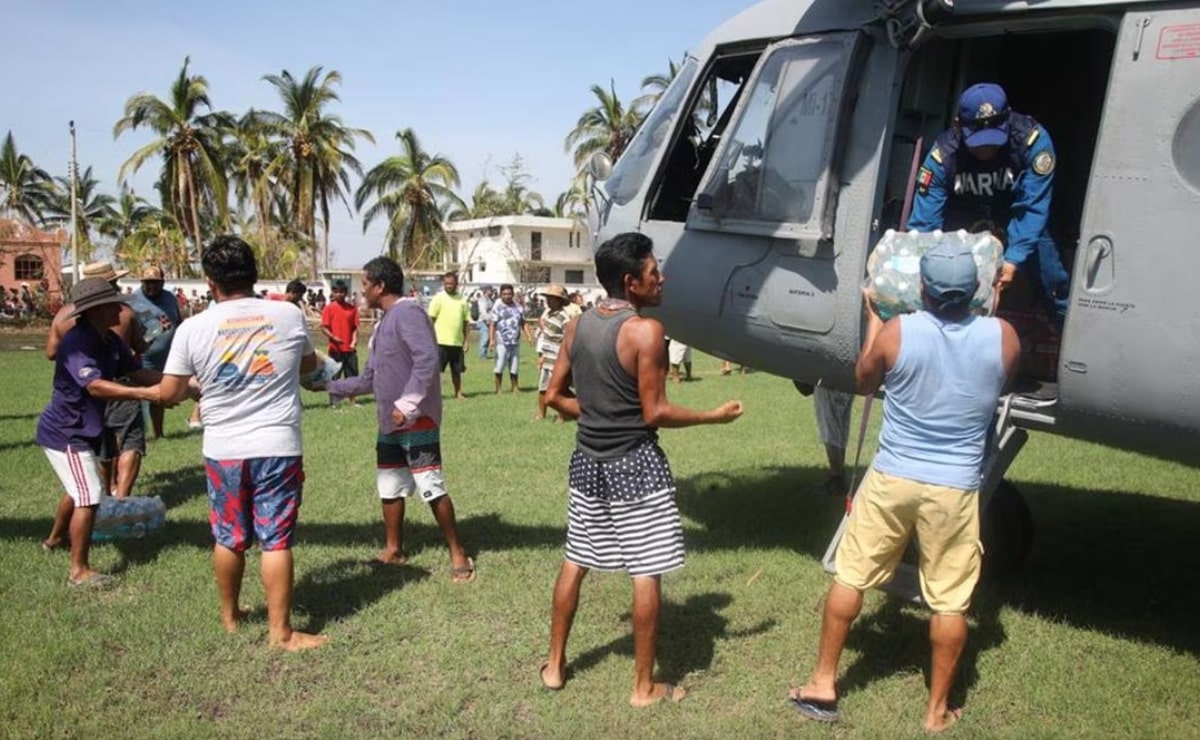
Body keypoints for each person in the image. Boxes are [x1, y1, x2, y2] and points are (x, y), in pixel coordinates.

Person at [789, 241, 1019, 732]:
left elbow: (865, 377)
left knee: (851, 576)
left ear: (921, 288)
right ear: (978, 288)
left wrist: (874, 319)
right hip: (954, 488)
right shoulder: (1004, 337)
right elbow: (992, 368)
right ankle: (936, 712)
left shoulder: (897, 331)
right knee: (950, 600)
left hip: (893, 477)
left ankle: (823, 683)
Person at [540, 232, 743, 705]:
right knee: (647, 571)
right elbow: (655, 413)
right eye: (654, 273)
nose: (662, 279)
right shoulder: (645, 331)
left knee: (576, 560)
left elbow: (553, 396)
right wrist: (714, 416)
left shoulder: (577, 326)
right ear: (631, 282)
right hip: (635, 464)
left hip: (586, 461)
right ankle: (643, 687)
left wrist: (593, 416)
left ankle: (553, 667)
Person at [154, 235, 327, 651]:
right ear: (253, 274)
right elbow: (307, 367)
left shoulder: (193, 327)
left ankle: (230, 618)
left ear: (210, 282)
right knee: (276, 538)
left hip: (223, 448)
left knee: (228, 535)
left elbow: (170, 392)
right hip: (277, 444)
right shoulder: (288, 314)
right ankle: (281, 633)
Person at [318, 257, 475, 582]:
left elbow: (427, 360)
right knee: (389, 485)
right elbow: (369, 378)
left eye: (364, 284)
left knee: (430, 485)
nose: (361, 291)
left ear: (380, 286)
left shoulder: (409, 313)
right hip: (389, 422)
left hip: (417, 419)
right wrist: (328, 385)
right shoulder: (382, 324)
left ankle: (458, 552)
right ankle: (394, 549)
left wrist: (407, 403)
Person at [907, 82, 1070, 328]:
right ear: (958, 126)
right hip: (966, 215)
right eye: (977, 140)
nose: (986, 147)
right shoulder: (943, 156)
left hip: (1019, 214)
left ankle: (1061, 326)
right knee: (944, 270)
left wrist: (1013, 259)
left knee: (1050, 274)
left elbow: (1032, 206)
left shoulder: (1031, 142)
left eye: (994, 138)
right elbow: (924, 225)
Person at [37, 278, 165, 587]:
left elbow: (135, 371)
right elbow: (94, 386)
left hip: (82, 428)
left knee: (77, 488)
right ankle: (78, 571)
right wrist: (146, 395)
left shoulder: (108, 339)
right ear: (96, 310)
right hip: (66, 432)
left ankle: (54, 541)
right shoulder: (77, 343)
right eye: (114, 304)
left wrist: (175, 385)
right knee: (90, 495)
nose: (122, 309)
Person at [46, 261, 150, 499]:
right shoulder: (124, 313)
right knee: (130, 441)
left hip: (84, 398)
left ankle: (104, 495)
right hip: (116, 386)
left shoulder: (62, 317)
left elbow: (51, 352)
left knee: (100, 449)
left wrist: (75, 363)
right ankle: (120, 500)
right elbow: (139, 349)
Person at [133, 266, 182, 438]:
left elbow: (179, 320)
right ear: (142, 282)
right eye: (148, 283)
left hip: (168, 355)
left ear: (163, 282)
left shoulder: (169, 298)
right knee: (144, 394)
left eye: (156, 283)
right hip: (144, 356)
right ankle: (137, 433)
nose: (152, 287)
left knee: (162, 394)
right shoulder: (134, 300)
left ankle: (158, 433)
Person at [793, 382, 855, 497]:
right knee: (840, 430)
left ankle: (836, 479)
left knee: (830, 432)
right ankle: (839, 475)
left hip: (828, 382)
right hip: (847, 382)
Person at [427, 271, 471, 400]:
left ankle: (458, 392)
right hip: (440, 342)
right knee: (436, 371)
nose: (448, 286)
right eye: (446, 283)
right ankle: (433, 394)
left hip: (456, 343)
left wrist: (466, 341)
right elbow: (431, 319)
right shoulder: (438, 298)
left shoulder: (462, 300)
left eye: (451, 283)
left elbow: (466, 322)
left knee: (457, 371)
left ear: (456, 284)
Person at [534, 284, 571, 421]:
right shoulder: (548, 314)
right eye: (548, 298)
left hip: (558, 358)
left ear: (559, 300)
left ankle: (563, 415)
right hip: (547, 356)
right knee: (543, 387)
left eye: (552, 298)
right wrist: (541, 355)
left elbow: (567, 338)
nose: (548, 301)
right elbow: (545, 336)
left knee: (558, 389)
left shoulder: (564, 317)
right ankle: (541, 413)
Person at [320, 280, 359, 405]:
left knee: (352, 376)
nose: (339, 294)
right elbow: (323, 327)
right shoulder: (329, 309)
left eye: (342, 292)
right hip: (335, 349)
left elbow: (355, 327)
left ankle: (352, 401)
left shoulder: (352, 309)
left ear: (346, 293)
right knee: (335, 376)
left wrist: (354, 340)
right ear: (332, 293)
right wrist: (333, 337)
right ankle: (334, 402)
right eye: (336, 292)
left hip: (349, 349)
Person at [489, 284, 532, 393]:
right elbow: (492, 324)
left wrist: (529, 336)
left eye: (509, 294)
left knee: (515, 364)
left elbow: (523, 323)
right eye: (504, 294)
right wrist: (492, 340)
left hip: (515, 340)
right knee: (500, 363)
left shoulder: (518, 307)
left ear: (513, 294)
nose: (507, 296)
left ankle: (515, 387)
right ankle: (498, 388)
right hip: (501, 341)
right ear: (501, 294)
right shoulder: (497, 307)